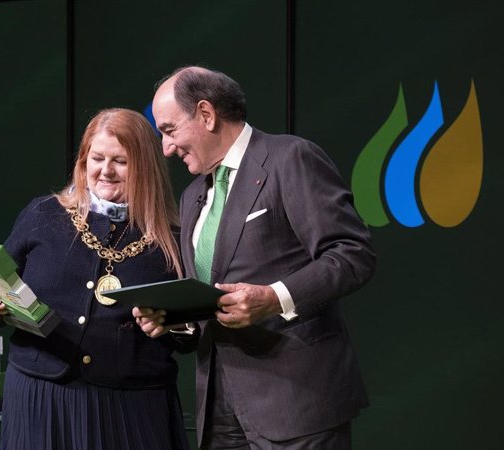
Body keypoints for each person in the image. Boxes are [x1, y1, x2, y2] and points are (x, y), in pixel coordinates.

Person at [133, 66, 377, 449]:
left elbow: (352, 253)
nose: (166, 149)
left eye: (169, 130)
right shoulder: (193, 194)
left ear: (207, 114)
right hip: (219, 411)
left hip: (297, 403)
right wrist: (174, 321)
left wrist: (273, 299)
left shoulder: (289, 158)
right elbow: (212, 297)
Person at [0, 108, 194, 450]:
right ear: (83, 161)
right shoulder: (43, 214)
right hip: (40, 394)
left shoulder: (174, 238)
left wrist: (171, 325)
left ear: (146, 167)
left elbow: (191, 331)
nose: (106, 170)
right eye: (97, 158)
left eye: (120, 161)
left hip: (131, 404)